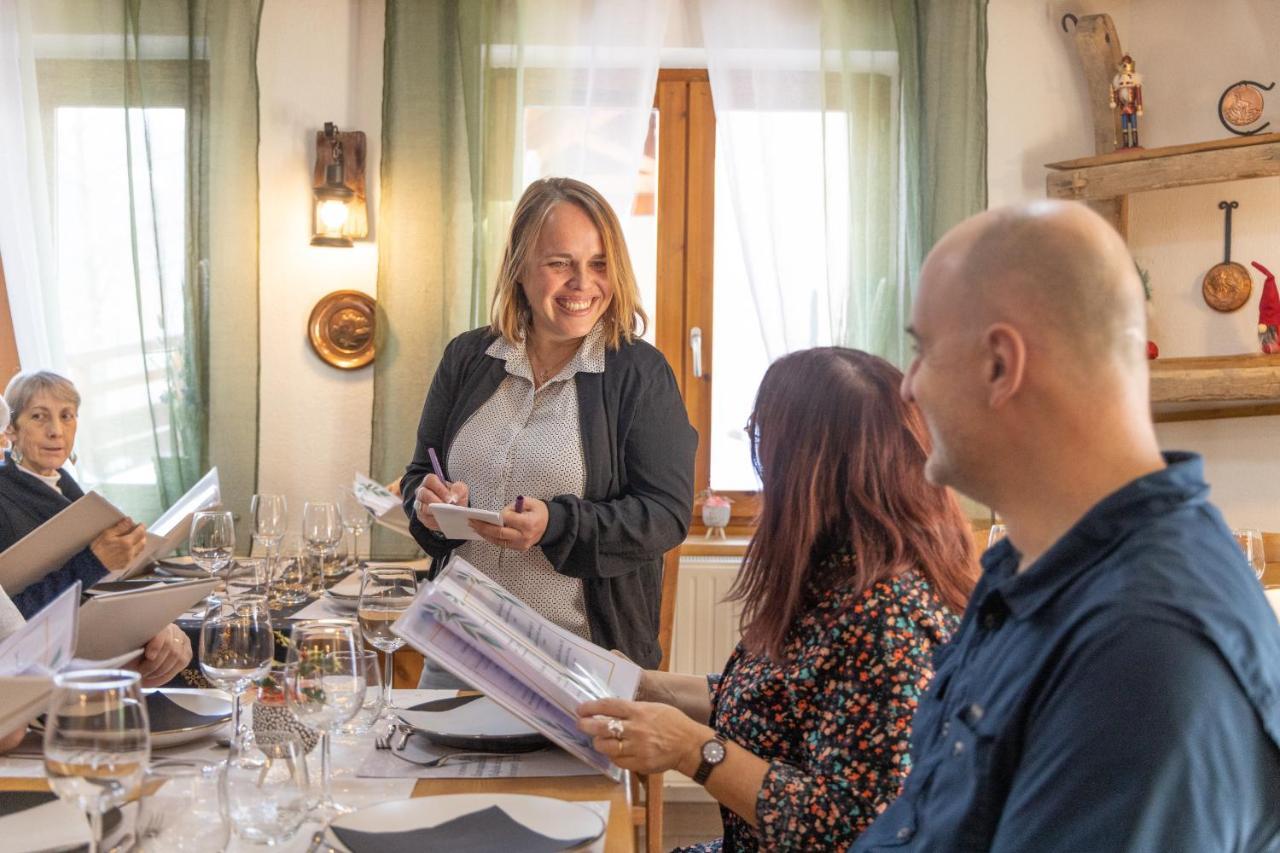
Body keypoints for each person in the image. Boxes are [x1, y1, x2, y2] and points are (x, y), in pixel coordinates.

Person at [851, 201, 1280, 851]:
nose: (907, 388)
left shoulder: (1146, 645)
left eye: (922, 351)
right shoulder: (1032, 565)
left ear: (1000, 363)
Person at [576, 348, 978, 851]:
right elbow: (780, 699)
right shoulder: (837, 570)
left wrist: (690, 748)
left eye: (760, 437)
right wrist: (645, 686)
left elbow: (848, 829)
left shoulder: (888, 620)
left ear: (809, 466)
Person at [402, 177, 696, 676]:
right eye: (560, 263)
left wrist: (555, 525)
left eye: (599, 264)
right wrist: (426, 504)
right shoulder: (467, 358)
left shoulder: (639, 374)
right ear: (519, 268)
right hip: (457, 643)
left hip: (580, 658)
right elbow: (417, 475)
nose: (582, 283)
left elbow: (666, 515)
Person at [0, 371, 191, 686]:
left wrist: (156, 622)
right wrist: (94, 561)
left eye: (67, 416)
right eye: (38, 417)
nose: (55, 431)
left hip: (98, 650)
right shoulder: (6, 499)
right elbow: (12, 622)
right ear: (11, 429)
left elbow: (108, 587)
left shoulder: (69, 491)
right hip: (44, 680)